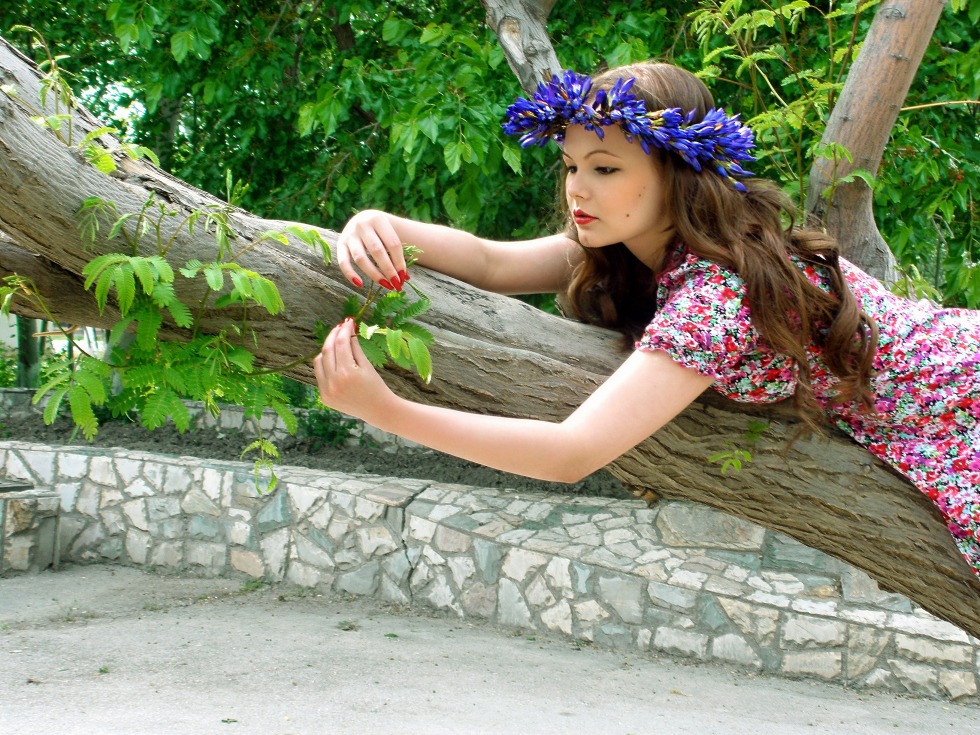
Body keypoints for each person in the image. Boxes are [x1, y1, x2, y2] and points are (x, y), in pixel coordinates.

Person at [313, 62, 980, 578]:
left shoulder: (719, 297)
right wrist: (377, 224)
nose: (577, 187)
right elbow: (490, 262)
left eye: (605, 168)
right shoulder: (631, 250)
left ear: (678, 173)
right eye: (572, 165)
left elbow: (572, 452)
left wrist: (386, 409)